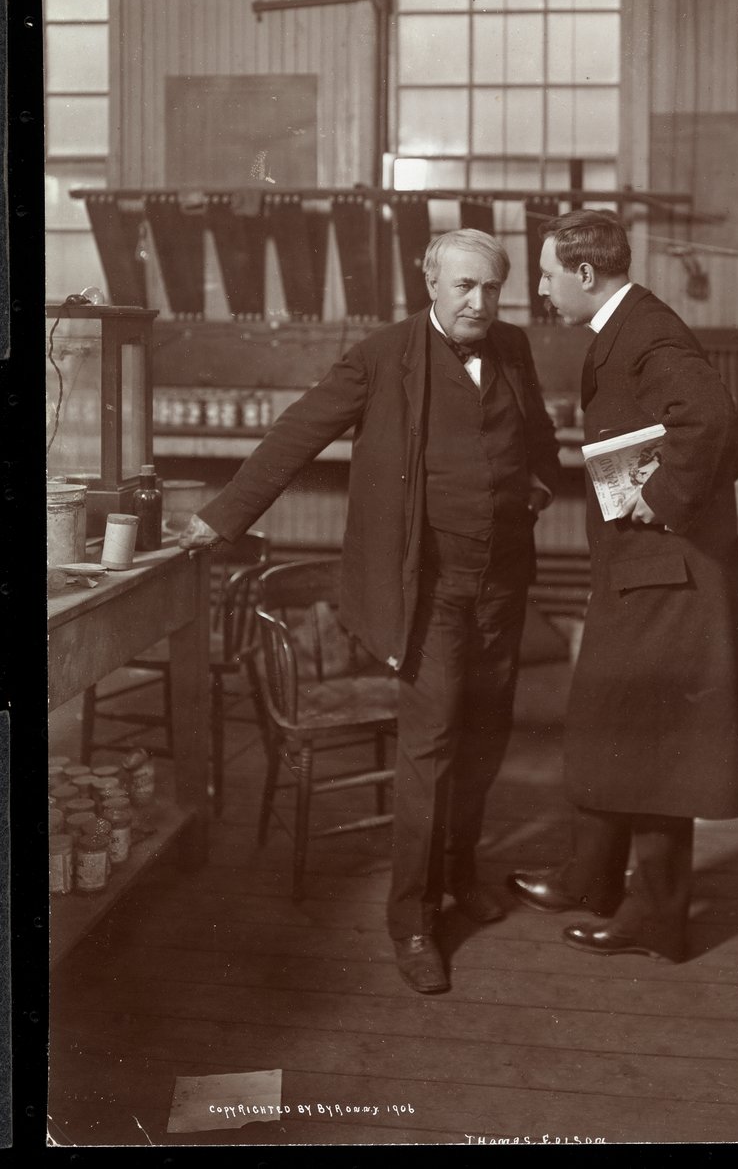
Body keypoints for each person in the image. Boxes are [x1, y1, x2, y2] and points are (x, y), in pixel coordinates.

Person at [179, 228, 561, 994]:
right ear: (431, 284)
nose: (479, 302)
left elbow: (539, 436)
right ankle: (412, 919)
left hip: (501, 584)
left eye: (491, 287)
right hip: (429, 588)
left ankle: (460, 872)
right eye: (464, 286)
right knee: (432, 744)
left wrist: (541, 482)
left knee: (486, 737)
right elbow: (297, 433)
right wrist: (223, 517)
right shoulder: (384, 356)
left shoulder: (513, 347)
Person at [507, 209, 738, 962]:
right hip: (643, 568)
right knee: (610, 721)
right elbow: (724, 433)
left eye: (547, 275)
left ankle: (656, 918)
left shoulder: (648, 333)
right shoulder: (625, 328)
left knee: (655, 742)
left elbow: (715, 425)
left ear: (584, 273)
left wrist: (660, 497)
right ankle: (589, 878)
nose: (541, 289)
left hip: (669, 574)